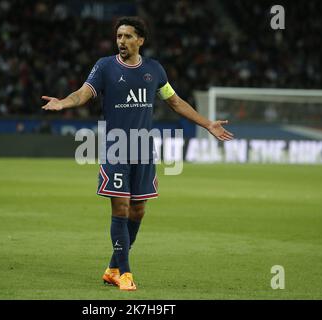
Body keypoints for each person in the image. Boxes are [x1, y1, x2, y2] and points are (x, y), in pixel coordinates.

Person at [41, 17, 233, 291]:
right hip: (116, 149)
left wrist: (208, 124)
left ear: (140, 40)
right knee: (120, 208)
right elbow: (84, 93)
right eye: (118, 36)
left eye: (128, 36)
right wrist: (64, 102)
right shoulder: (105, 66)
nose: (121, 41)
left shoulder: (154, 70)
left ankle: (112, 269)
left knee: (138, 210)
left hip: (143, 150)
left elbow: (175, 102)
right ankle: (127, 274)